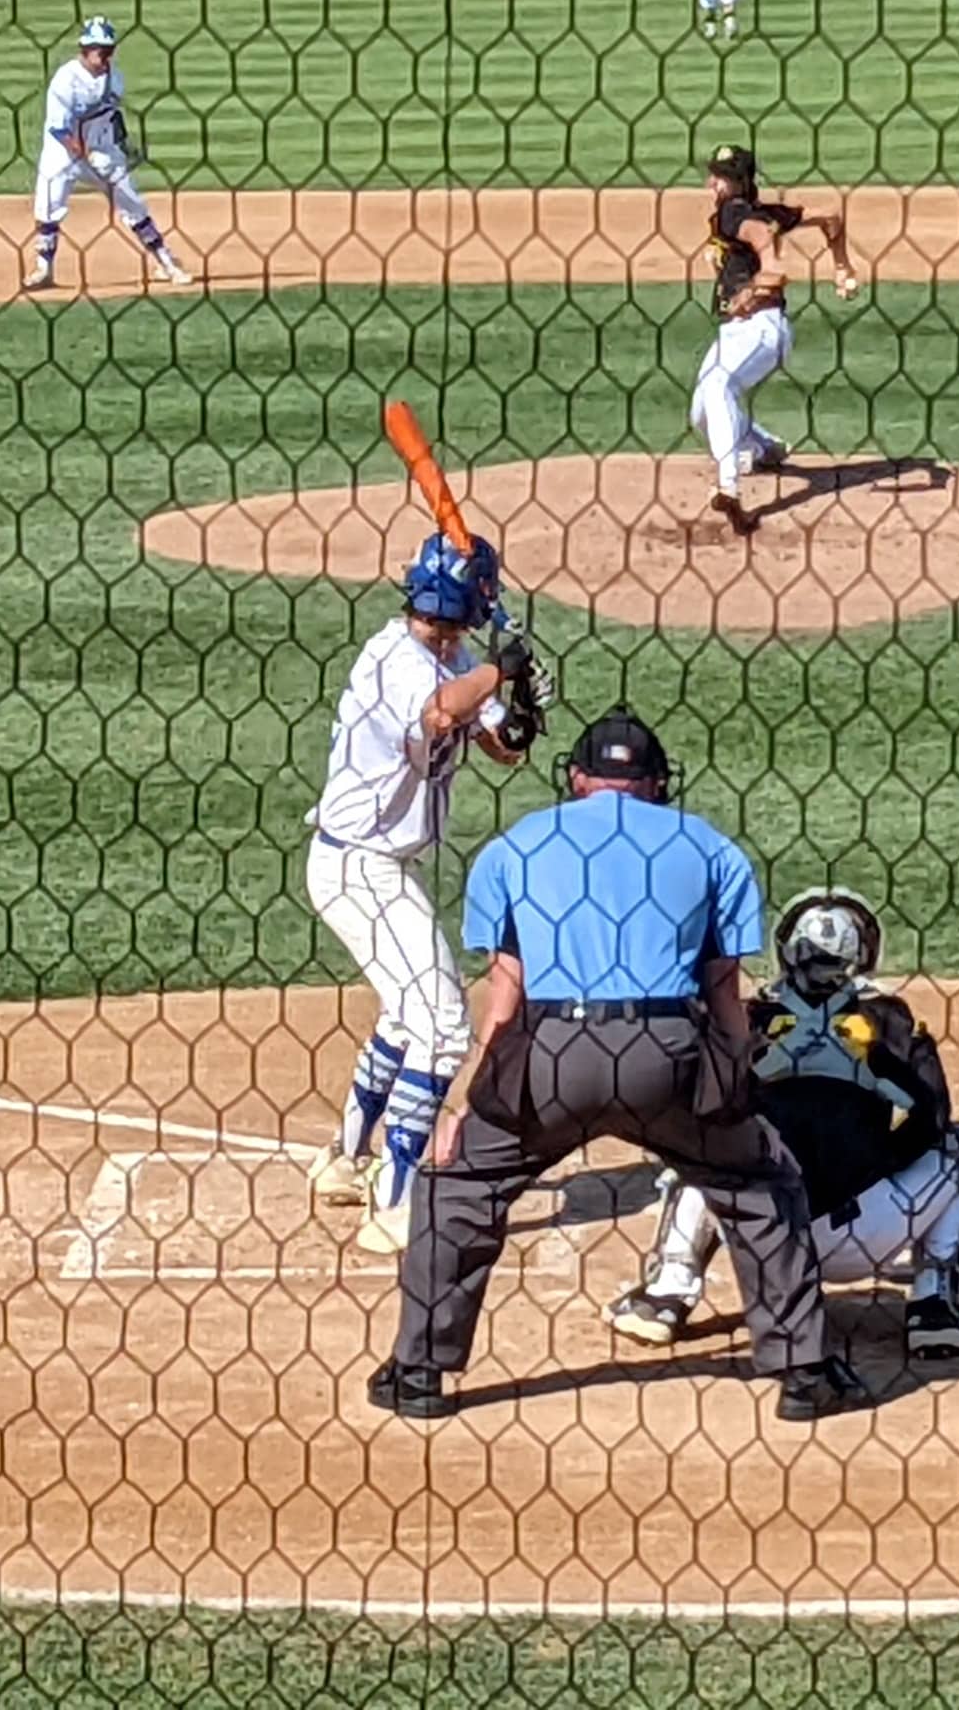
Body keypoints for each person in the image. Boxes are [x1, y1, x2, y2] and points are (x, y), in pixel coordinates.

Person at [375, 712, 868, 1425]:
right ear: (658, 784)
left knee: (458, 1187)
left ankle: (417, 1375)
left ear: (577, 779)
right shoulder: (710, 847)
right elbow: (723, 989)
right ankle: (804, 1373)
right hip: (665, 1052)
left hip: (549, 1054)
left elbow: (506, 993)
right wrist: (735, 1087)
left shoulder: (517, 845)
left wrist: (463, 1102)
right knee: (759, 1183)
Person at [604, 886, 959, 1361]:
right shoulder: (889, 1019)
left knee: (699, 1148)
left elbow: (700, 1103)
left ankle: (665, 1296)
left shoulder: (749, 1020)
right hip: (864, 1236)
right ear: (864, 954)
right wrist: (875, 1158)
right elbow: (934, 1118)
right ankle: (936, 1310)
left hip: (763, 1239)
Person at [305, 534, 541, 1256]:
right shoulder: (393, 659)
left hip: (383, 868)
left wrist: (522, 705)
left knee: (411, 1018)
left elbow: (501, 747)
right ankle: (395, 1200)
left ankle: (343, 1161)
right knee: (441, 1024)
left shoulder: (455, 658)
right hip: (355, 867)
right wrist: (501, 669)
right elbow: (441, 714)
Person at [689, 143, 862, 542]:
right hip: (737, 332)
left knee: (718, 386)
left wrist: (753, 287)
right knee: (702, 413)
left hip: (761, 328)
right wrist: (841, 265)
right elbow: (831, 217)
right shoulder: (764, 211)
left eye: (720, 176)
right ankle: (765, 448)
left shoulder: (737, 217)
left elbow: (771, 262)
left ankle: (729, 488)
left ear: (740, 182)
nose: (711, 182)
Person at [26, 15, 190, 289]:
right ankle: (44, 270)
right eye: (101, 51)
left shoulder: (115, 79)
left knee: (133, 205)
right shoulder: (66, 80)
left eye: (110, 50)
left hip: (102, 150)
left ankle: (166, 263)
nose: (106, 56)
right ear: (85, 49)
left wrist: (123, 146)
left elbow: (112, 116)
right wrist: (84, 153)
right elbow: (59, 129)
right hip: (62, 153)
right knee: (48, 206)